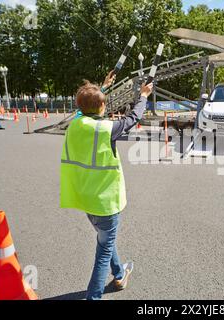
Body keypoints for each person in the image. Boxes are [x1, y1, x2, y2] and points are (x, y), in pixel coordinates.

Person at [60, 71, 153, 300]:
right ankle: (94, 297)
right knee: (103, 251)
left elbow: (87, 106)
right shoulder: (106, 129)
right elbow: (133, 118)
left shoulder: (76, 122)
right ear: (100, 108)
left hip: (86, 200)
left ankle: (120, 276)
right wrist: (143, 96)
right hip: (106, 203)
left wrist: (104, 87)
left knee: (105, 240)